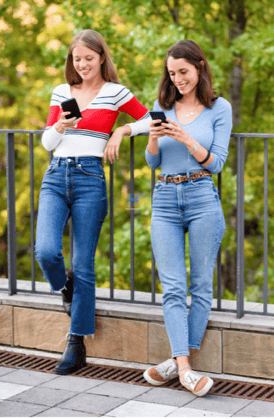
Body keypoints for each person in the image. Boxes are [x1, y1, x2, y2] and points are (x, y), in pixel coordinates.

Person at [35, 29, 150, 375]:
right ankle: (63, 286)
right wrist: (60, 126)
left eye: (89, 58)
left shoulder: (115, 93)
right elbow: (45, 143)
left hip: (89, 179)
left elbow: (150, 118)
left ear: (102, 57)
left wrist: (121, 131)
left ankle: (76, 344)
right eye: (76, 59)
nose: (82, 64)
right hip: (56, 175)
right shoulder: (61, 91)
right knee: (46, 251)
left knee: (83, 265)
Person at [142, 40, 232, 396]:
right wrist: (153, 139)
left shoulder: (218, 107)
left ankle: (177, 363)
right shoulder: (162, 106)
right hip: (164, 198)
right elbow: (152, 162)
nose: (178, 79)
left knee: (200, 287)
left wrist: (187, 140)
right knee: (174, 287)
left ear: (199, 67)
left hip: (201, 197)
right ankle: (185, 369)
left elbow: (218, 163)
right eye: (172, 73)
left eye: (183, 72)